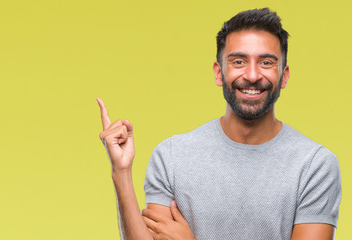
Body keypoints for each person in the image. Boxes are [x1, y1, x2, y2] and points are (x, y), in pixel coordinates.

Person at [96, 8, 342, 240]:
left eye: (266, 62)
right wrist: (122, 172)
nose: (253, 75)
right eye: (238, 62)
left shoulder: (315, 166)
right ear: (218, 73)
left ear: (284, 76)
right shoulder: (171, 156)